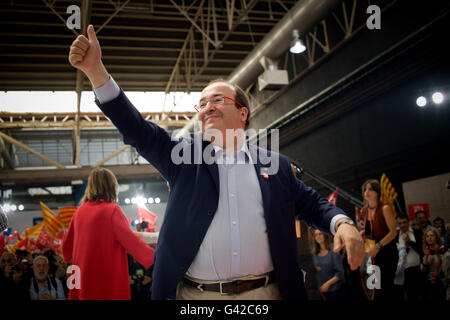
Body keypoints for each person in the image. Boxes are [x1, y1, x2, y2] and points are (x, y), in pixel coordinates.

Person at [68, 25, 364, 300]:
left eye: (217, 100)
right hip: (199, 297)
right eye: (202, 103)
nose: (207, 106)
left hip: (266, 294)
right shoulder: (183, 157)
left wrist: (344, 224)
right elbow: (137, 131)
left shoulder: (275, 166)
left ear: (243, 113)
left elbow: (313, 204)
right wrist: (96, 72)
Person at [62, 167, 154, 300]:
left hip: (82, 279)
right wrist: (156, 257)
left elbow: (66, 248)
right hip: (106, 279)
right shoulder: (112, 210)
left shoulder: (79, 212)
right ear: (112, 187)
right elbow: (132, 242)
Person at [360, 179, 398, 300]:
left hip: (386, 252)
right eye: (365, 189)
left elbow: (393, 232)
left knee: (386, 288)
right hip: (372, 254)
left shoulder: (385, 208)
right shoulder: (364, 210)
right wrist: (362, 233)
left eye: (370, 189)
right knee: (375, 289)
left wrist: (378, 246)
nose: (367, 191)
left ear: (377, 192)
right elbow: (370, 231)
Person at [290, 162, 321, 300]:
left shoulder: (302, 194)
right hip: (289, 254)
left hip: (304, 253)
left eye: (291, 169)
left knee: (311, 290)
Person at [395, 214, 426, 300]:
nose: (402, 225)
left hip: (419, 269)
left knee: (424, 295)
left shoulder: (417, 232)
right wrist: (407, 247)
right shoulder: (396, 237)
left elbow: (422, 250)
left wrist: (410, 243)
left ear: (408, 222)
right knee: (411, 297)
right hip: (405, 272)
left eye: (404, 222)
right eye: (400, 223)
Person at [312, 230, 346, 300]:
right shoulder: (314, 252)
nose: (318, 236)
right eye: (316, 235)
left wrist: (327, 284)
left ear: (325, 235)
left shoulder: (334, 250)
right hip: (320, 290)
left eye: (320, 234)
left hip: (333, 290)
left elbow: (340, 273)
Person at [420, 229, 446, 300]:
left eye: (432, 235)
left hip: (441, 283)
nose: (429, 238)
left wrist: (438, 253)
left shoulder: (442, 249)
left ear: (436, 237)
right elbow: (423, 270)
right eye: (427, 236)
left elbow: (444, 268)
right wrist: (426, 255)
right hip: (428, 284)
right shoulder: (425, 251)